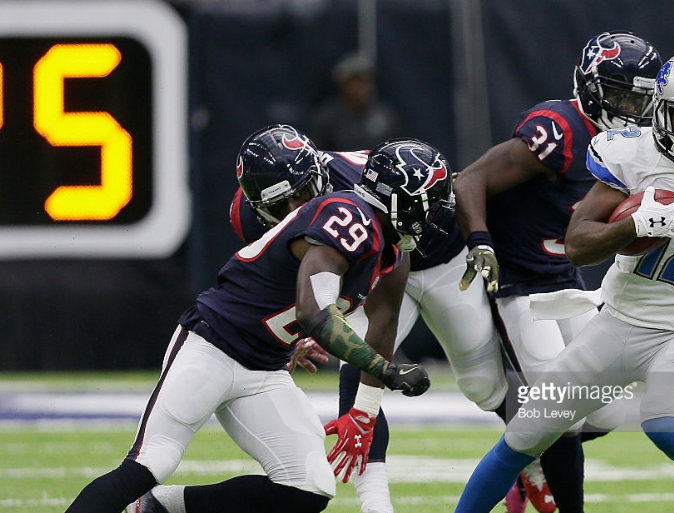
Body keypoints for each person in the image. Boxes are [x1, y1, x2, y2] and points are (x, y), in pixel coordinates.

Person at [452, 50, 674, 513]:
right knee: (522, 437)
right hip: (617, 323)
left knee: (663, 422)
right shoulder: (627, 151)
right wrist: (632, 227)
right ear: (662, 111)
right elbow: (578, 243)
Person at [65, 127, 451, 513]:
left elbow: (351, 317)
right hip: (213, 346)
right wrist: (386, 370)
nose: (435, 213)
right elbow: (315, 313)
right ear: (404, 201)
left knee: (308, 487)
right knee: (151, 462)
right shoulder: (349, 217)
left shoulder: (387, 248)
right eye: (430, 202)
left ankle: (158, 507)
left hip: (265, 365)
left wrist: (353, 395)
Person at [229, 126, 512, 513]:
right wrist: (300, 328)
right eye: (280, 204)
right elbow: (280, 282)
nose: (296, 208)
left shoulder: (355, 186)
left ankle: (528, 463)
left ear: (318, 175)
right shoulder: (249, 218)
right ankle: (375, 504)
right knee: (356, 360)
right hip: (375, 266)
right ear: (256, 203)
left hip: (436, 257)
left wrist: (323, 317)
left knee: (483, 384)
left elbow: (388, 279)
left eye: (303, 193)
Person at [454, 31, 662, 513]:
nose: (631, 107)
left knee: (607, 408)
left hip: (567, 279)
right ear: (591, 88)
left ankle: (522, 459)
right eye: (621, 94)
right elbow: (471, 179)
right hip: (521, 281)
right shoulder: (559, 129)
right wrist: (481, 241)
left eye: (640, 98)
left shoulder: (633, 144)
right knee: (561, 410)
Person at [307, 52, 403, 151]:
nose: (357, 88)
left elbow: (393, 152)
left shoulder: (385, 116)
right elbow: (316, 152)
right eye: (352, 82)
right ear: (342, 85)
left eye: (363, 82)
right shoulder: (325, 117)